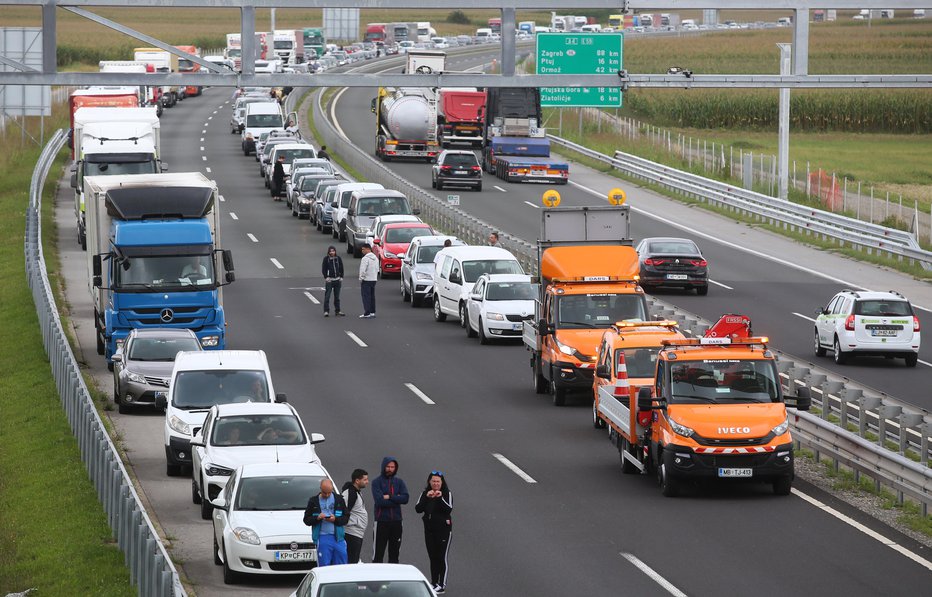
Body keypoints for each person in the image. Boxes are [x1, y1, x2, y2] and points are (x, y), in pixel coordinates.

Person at [415, 471, 453, 594]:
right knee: (433, 557)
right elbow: (418, 509)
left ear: (442, 483)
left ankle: (442, 584)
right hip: (429, 530)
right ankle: (434, 582)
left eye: (438, 481)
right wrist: (427, 497)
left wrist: (439, 497)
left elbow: (448, 509)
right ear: (429, 482)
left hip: (443, 530)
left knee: (441, 557)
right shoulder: (425, 493)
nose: (436, 483)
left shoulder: (447, 494)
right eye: (433, 481)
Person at [303, 479, 350, 566]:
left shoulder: (339, 499)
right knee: (324, 566)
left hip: (338, 538)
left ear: (332, 489)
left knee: (341, 565)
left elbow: (346, 518)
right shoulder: (313, 501)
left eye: (329, 492)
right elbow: (306, 520)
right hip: (322, 537)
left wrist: (335, 519)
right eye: (325, 493)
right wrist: (317, 518)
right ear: (320, 489)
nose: (327, 495)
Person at [371, 456, 409, 563]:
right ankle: (376, 578)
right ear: (383, 467)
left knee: (394, 555)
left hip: (397, 522)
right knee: (378, 555)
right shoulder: (376, 482)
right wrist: (397, 498)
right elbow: (379, 501)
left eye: (392, 467)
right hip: (381, 522)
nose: (390, 469)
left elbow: (405, 498)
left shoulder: (399, 482)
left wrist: (390, 496)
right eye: (388, 466)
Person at [341, 469, 370, 564]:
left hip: (357, 533)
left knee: (354, 560)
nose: (367, 482)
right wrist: (351, 523)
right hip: (351, 533)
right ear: (357, 481)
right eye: (365, 479)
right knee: (351, 562)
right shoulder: (350, 493)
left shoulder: (356, 492)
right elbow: (342, 510)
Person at [321, 246, 346, 317]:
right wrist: (326, 277)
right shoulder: (326, 259)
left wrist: (341, 277)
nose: (332, 252)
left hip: (337, 280)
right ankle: (326, 311)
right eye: (330, 251)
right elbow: (324, 269)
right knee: (327, 296)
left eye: (333, 251)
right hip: (330, 281)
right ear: (328, 252)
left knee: (337, 297)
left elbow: (341, 268)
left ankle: (337, 310)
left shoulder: (338, 259)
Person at [359, 244, 379, 319]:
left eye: (363, 249)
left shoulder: (365, 259)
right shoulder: (375, 258)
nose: (362, 251)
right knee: (372, 296)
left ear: (368, 249)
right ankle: (372, 312)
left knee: (366, 296)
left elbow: (362, 270)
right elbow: (377, 269)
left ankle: (367, 312)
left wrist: (361, 278)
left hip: (366, 280)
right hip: (373, 279)